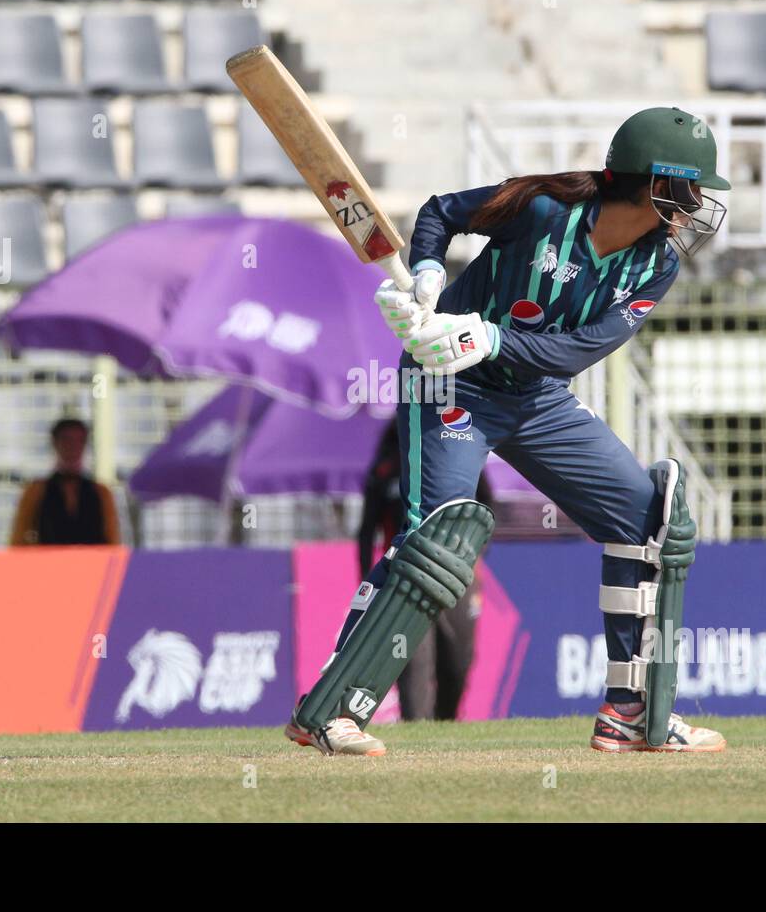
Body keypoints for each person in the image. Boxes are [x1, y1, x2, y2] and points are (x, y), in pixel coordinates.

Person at [285, 106, 729, 756]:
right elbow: (440, 212)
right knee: (438, 538)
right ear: (654, 183)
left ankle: (631, 713)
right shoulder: (546, 209)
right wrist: (430, 276)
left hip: (534, 393)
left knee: (647, 520)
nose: (697, 208)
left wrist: (488, 336)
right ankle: (330, 709)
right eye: (692, 190)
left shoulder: (653, 266)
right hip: (448, 383)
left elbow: (578, 351)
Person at [358, 424, 492, 721]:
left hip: (457, 574)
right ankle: (416, 728)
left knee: (458, 660)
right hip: (404, 578)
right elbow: (366, 532)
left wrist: (478, 555)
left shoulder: (457, 456)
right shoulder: (386, 470)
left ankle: (447, 722)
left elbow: (486, 507)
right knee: (412, 661)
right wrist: (367, 585)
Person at [9, 418, 121, 546]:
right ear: (55, 443)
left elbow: (113, 541)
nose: (73, 447)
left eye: (79, 441)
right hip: (48, 564)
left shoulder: (102, 493)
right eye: (67, 440)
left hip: (93, 564)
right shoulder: (35, 491)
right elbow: (18, 540)